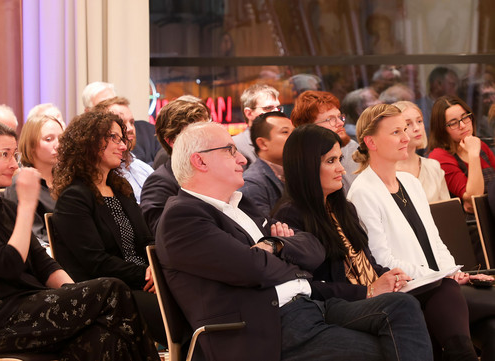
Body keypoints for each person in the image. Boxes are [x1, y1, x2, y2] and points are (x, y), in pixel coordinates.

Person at [156, 121, 432, 361]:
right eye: (230, 150)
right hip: (265, 328)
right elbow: (254, 269)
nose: (243, 159)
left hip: (310, 306)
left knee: (403, 307)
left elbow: (313, 249)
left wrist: (274, 246)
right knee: (395, 347)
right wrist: (284, 258)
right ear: (200, 161)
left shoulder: (241, 205)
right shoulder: (183, 216)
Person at [0, 120, 159, 359]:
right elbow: (8, 265)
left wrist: (77, 296)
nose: (13, 164)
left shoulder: (6, 208)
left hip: (27, 306)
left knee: (105, 335)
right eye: (4, 155)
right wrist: (27, 205)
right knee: (113, 288)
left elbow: (45, 265)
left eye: (14, 155)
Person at [273, 124, 478, 360]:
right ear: (306, 167)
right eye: (330, 161)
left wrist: (391, 276)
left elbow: (367, 263)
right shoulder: (290, 216)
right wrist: (369, 290)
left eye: (339, 159)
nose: (341, 168)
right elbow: (305, 287)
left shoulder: (343, 208)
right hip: (338, 302)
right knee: (407, 306)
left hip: (371, 292)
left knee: (444, 286)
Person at [347, 104, 495, 360]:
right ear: (370, 141)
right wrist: (441, 276)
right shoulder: (362, 191)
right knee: (447, 293)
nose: (406, 137)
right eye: (396, 132)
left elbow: (435, 241)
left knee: (490, 325)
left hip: (437, 283)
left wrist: (453, 272)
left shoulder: (410, 182)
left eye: (405, 129)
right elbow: (383, 260)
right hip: (405, 289)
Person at [52, 110, 165, 345]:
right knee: (175, 311)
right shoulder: (74, 197)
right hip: (108, 291)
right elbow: (95, 261)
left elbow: (147, 240)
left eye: (121, 138)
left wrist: (156, 268)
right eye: (113, 138)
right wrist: (145, 275)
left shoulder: (120, 188)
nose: (123, 145)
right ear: (90, 143)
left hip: (140, 281)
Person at [140, 98, 210, 235]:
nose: (209, 138)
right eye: (199, 133)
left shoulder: (215, 171)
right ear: (172, 141)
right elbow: (166, 236)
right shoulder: (160, 183)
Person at [2, 114, 64, 249]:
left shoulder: (68, 180)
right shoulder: (21, 183)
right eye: (49, 139)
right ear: (31, 146)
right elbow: (34, 238)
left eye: (61, 138)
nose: (58, 145)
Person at [428, 95, 495, 213]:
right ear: (442, 130)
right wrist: (473, 155)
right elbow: (474, 198)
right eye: (453, 123)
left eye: (465, 117)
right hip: (473, 225)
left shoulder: (480, 144)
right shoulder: (439, 156)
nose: (463, 125)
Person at [291, 90, 359, 193]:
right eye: (330, 119)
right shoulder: (305, 163)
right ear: (309, 127)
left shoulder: (351, 146)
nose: (340, 123)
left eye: (339, 116)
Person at [82, 81, 161, 165]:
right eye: (103, 105)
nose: (112, 106)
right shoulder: (88, 152)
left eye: (113, 101)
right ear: (88, 112)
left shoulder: (146, 130)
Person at [94, 96, 154, 203]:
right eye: (122, 124)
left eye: (131, 122)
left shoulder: (145, 169)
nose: (130, 129)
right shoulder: (102, 176)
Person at [394, 101, 450, 203]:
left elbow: (447, 210)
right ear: (394, 131)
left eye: (419, 121)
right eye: (408, 124)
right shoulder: (387, 173)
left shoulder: (433, 167)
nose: (417, 128)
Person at [239, 111, 293, 216]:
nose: (294, 137)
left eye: (294, 131)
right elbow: (266, 229)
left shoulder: (297, 172)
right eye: (285, 132)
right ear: (262, 143)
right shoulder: (251, 184)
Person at [232, 84, 282, 167]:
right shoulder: (236, 145)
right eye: (268, 108)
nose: (277, 112)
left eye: (278, 107)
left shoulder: (282, 141)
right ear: (249, 113)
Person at [416, 66, 459, 136]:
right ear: (438, 84)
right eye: (452, 84)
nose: (456, 89)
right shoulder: (418, 108)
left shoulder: (456, 107)